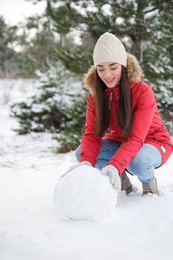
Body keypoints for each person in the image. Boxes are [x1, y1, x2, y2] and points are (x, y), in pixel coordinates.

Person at [74, 32, 173, 196]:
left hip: (153, 141)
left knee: (138, 161)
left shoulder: (142, 91)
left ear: (123, 65)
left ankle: (149, 185)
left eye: (113, 67)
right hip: (120, 140)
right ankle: (122, 182)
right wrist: (86, 164)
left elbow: (136, 138)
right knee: (82, 154)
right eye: (101, 69)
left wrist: (114, 164)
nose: (107, 74)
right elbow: (91, 133)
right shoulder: (96, 95)